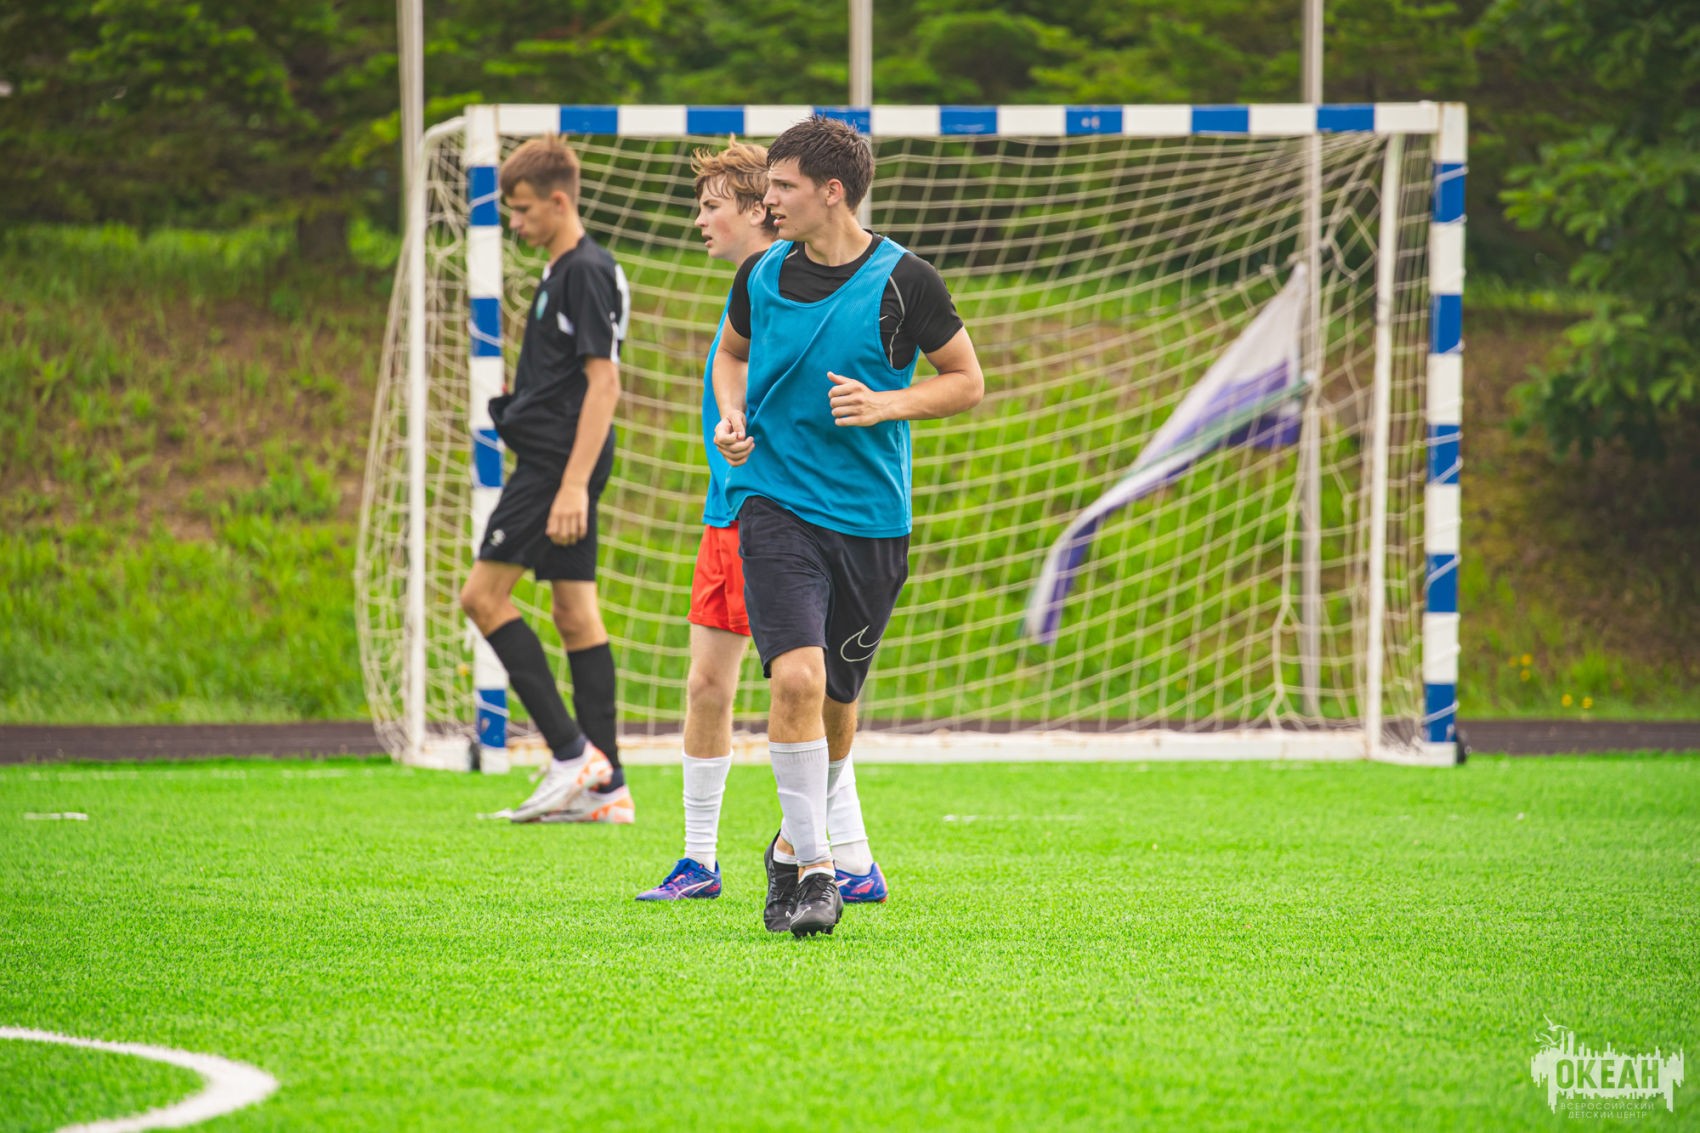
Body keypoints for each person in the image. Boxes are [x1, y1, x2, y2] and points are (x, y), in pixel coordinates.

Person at [712, 116, 984, 936]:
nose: (768, 199)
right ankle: (817, 872)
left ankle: (788, 845)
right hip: (774, 502)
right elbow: (731, 355)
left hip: (870, 521)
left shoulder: (907, 282)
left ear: (832, 192)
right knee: (795, 680)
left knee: (836, 699)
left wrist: (888, 403)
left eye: (783, 186)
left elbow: (965, 380)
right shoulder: (760, 274)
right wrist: (732, 416)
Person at [638, 141, 888, 902]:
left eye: (713, 205)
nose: (699, 219)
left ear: (760, 211)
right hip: (736, 512)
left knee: (810, 685)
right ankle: (717, 858)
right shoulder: (753, 289)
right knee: (721, 683)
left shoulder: (807, 284)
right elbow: (733, 377)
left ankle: (831, 856)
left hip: (792, 516)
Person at [456, 135, 633, 825]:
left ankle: (571, 753)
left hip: (560, 464)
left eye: (524, 209)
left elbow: (604, 384)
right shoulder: (563, 270)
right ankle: (606, 786)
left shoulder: (586, 270)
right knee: (574, 611)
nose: (516, 222)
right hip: (557, 456)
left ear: (559, 201)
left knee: (482, 597)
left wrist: (571, 485)